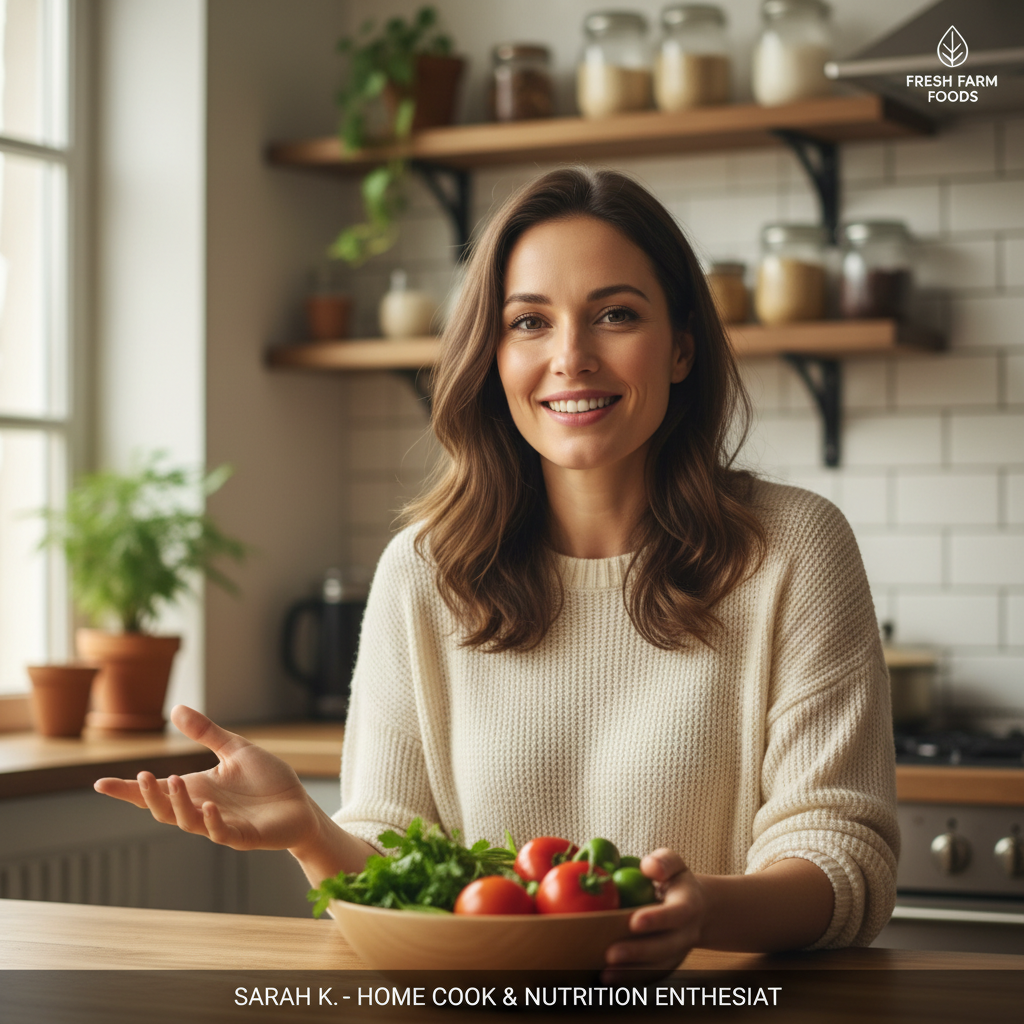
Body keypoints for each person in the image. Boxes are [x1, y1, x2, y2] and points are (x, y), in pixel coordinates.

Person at [96, 167, 899, 979]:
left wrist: (701, 912)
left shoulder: (793, 548)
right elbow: (395, 874)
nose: (571, 357)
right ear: (493, 353)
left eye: (615, 315)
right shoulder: (424, 571)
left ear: (683, 346)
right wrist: (311, 832)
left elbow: (842, 857)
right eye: (529, 323)